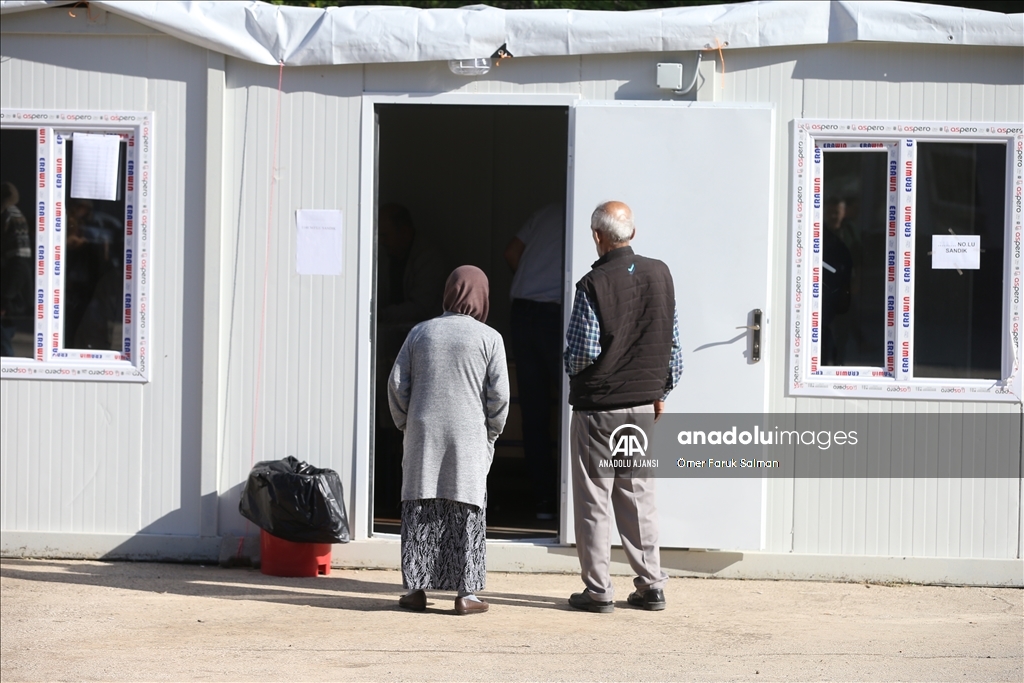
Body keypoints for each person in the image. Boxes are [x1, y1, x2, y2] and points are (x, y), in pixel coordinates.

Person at [564, 201, 682, 613]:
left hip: (599, 409)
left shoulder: (592, 285)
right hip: (642, 407)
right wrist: (660, 391)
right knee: (637, 494)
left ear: (598, 236)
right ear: (631, 232)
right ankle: (652, 585)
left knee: (596, 497)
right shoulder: (661, 274)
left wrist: (568, 367)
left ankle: (599, 590)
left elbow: (581, 353)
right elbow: (674, 350)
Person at [387, 265, 510, 616]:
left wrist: (405, 425)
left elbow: (396, 385)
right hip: (468, 436)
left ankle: (415, 590)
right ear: (482, 296)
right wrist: (491, 436)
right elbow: (499, 397)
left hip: (423, 434)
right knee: (466, 507)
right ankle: (465, 594)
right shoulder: (490, 338)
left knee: (421, 504)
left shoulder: (420, 333)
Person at [504, 202, 564, 520]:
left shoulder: (543, 213)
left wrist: (534, 283)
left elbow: (511, 253)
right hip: (554, 314)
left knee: (534, 410)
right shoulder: (584, 218)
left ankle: (542, 500)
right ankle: (568, 500)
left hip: (522, 312)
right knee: (571, 407)